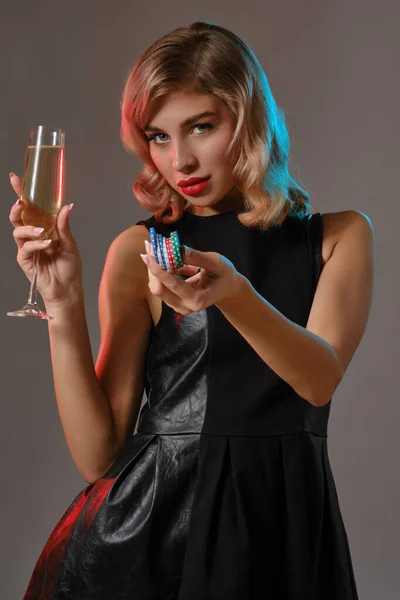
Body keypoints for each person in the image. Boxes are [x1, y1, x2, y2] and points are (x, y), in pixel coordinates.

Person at [9, 21, 374, 600]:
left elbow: (317, 379)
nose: (179, 160)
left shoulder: (339, 238)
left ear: (249, 119)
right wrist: (62, 300)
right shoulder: (141, 250)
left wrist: (232, 293)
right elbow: (97, 455)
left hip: (287, 531)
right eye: (158, 136)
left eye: (201, 127)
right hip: (153, 545)